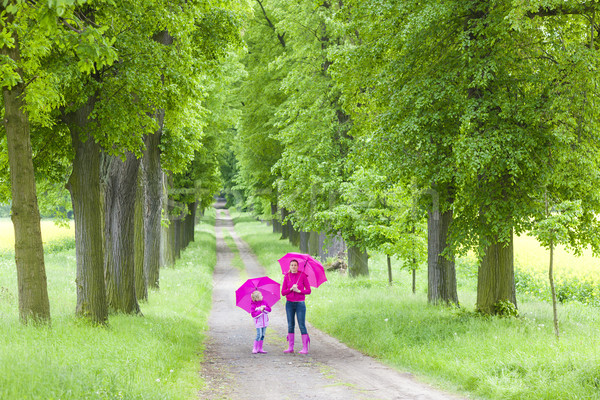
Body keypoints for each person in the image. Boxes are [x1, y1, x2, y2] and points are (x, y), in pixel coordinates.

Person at [281, 259, 311, 354]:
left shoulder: (302, 276)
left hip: (300, 303)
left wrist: (299, 291)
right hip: (289, 303)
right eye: (292, 265)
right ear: (289, 267)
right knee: (290, 325)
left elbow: (309, 290)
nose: (293, 267)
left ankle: (305, 348)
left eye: (295, 265)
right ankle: (290, 347)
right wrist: (290, 289)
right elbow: (283, 292)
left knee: (301, 324)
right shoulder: (287, 276)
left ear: (298, 267)